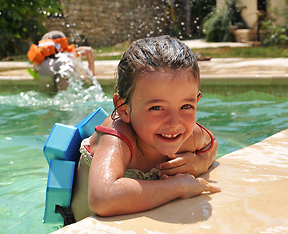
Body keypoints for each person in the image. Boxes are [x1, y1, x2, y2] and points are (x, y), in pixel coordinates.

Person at [70, 35, 220, 223]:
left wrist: (201, 161)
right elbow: (103, 198)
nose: (174, 123)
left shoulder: (185, 133)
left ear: (197, 101)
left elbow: (211, 143)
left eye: (186, 106)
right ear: (124, 109)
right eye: (156, 108)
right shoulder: (116, 136)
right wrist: (178, 186)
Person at [28, 30, 95, 92]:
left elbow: (35, 67)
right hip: (64, 65)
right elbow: (89, 50)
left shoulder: (43, 55)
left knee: (46, 96)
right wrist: (92, 74)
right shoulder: (68, 54)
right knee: (63, 96)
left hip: (46, 67)